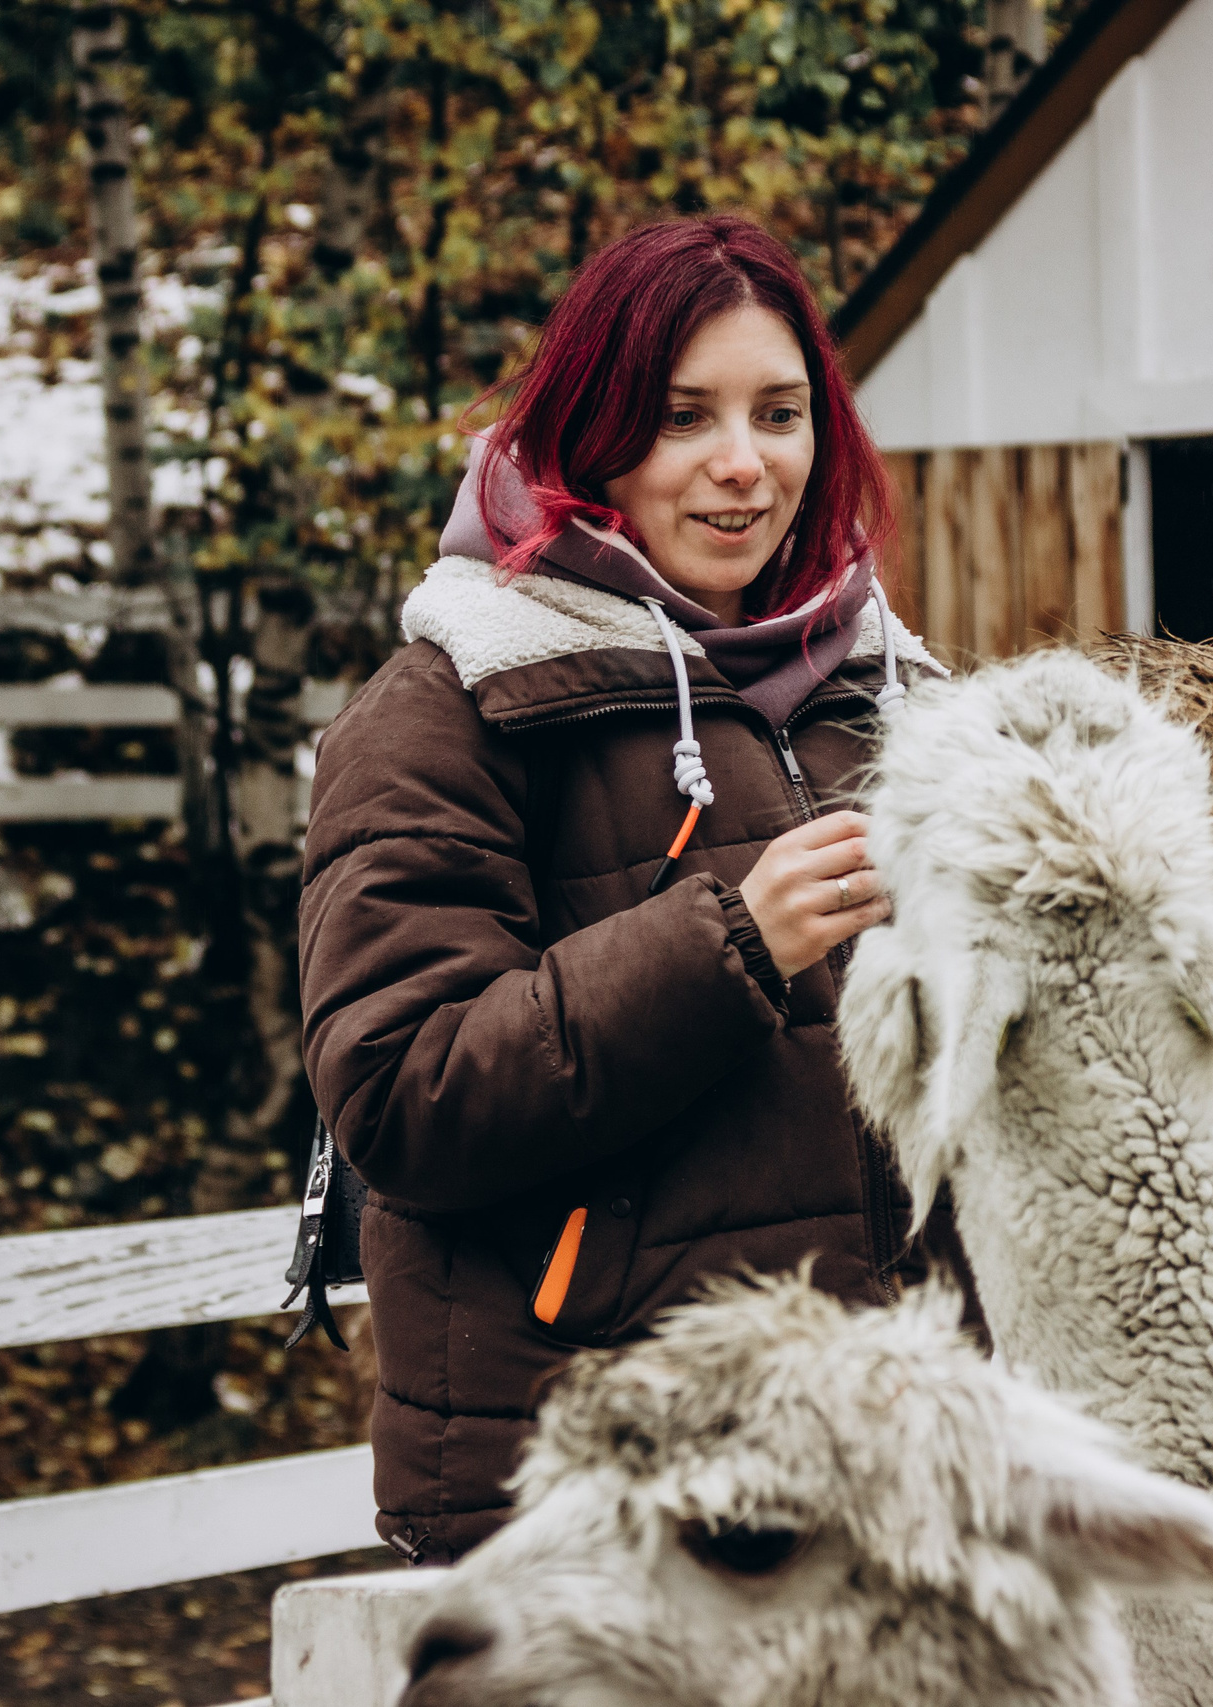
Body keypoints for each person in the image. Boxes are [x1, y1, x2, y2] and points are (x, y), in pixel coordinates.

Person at [297, 215, 954, 1564]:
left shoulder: (899, 694)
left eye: (780, 413)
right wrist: (732, 943)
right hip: (596, 1491)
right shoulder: (450, 705)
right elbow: (398, 1089)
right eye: (680, 417)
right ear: (593, 432)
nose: (742, 463)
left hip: (900, 1467)